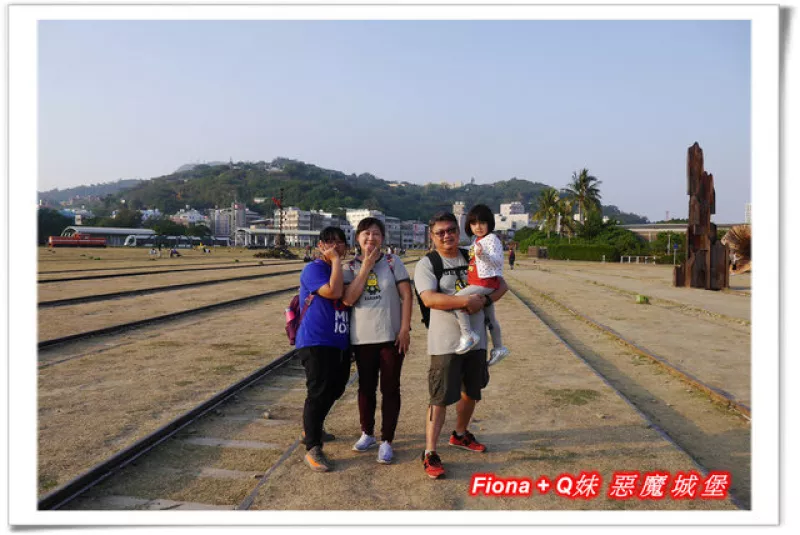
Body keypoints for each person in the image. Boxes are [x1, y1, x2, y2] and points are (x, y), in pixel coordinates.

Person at [414, 212, 508, 479]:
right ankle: (430, 451)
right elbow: (430, 299)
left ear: (459, 231)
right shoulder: (428, 263)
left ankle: (460, 434)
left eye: (451, 230)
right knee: (440, 397)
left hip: (476, 341)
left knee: (472, 392)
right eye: (440, 232)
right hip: (445, 343)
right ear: (432, 237)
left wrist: (485, 303)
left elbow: (502, 285)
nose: (447, 235)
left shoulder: (473, 255)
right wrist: (465, 302)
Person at [342, 218, 412, 465]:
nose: (371, 238)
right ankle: (367, 433)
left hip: (391, 337)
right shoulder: (349, 267)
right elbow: (349, 299)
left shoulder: (393, 262)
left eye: (376, 234)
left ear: (382, 238)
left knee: (390, 388)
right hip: (362, 338)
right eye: (366, 234)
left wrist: (404, 328)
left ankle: (387, 441)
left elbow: (406, 295)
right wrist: (366, 267)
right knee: (366, 388)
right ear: (358, 238)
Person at [295, 226, 352, 472]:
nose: (335, 247)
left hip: (339, 340)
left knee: (337, 388)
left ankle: (313, 427)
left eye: (339, 243)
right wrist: (337, 261)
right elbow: (334, 292)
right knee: (318, 392)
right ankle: (313, 447)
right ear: (320, 246)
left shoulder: (344, 270)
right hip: (316, 340)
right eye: (329, 242)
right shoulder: (314, 269)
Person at [452, 204, 510, 367]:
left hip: (484, 282)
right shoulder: (478, 240)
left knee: (457, 300)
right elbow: (472, 252)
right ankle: (499, 348)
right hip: (480, 281)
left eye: (482, 223)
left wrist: (482, 254)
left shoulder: (491, 239)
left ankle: (468, 334)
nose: (478, 227)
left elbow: (498, 261)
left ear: (489, 223)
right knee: (490, 318)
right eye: (474, 223)